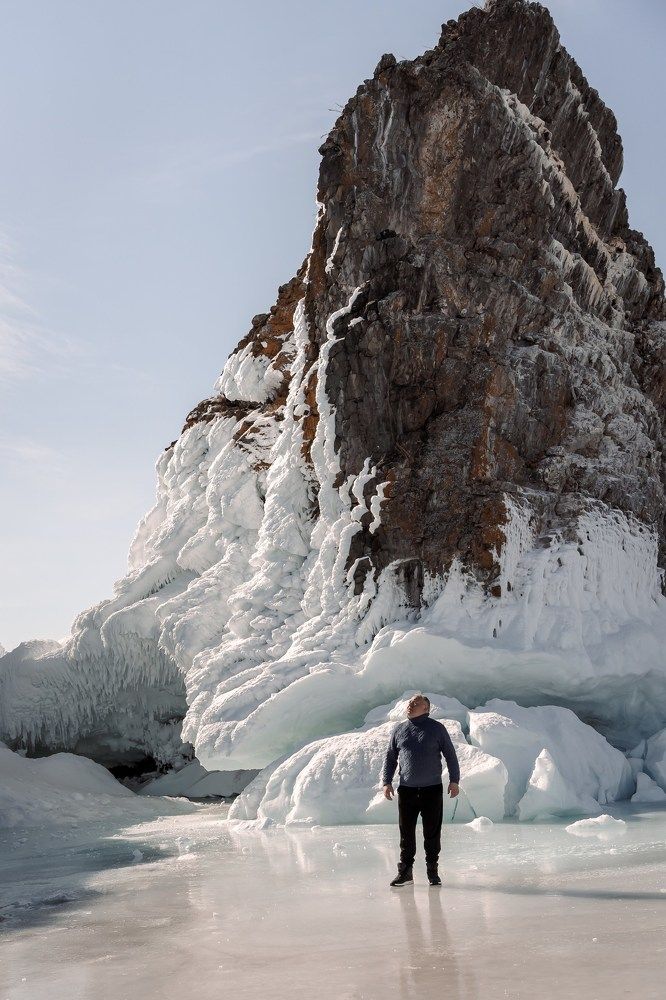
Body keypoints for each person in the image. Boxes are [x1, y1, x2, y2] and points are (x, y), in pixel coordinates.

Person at [381, 693, 460, 888]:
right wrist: (386, 782)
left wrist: (454, 780)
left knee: (431, 833)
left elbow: (450, 755)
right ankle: (405, 873)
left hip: (431, 790)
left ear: (426, 709)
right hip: (407, 790)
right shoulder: (399, 730)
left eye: (416, 703)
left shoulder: (437, 729)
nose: (411, 705)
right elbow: (391, 758)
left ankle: (432, 872)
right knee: (406, 833)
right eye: (410, 702)